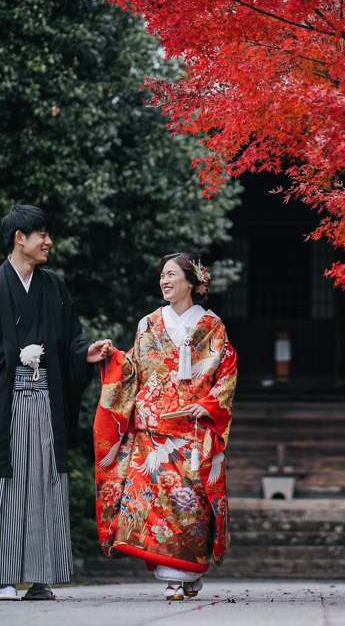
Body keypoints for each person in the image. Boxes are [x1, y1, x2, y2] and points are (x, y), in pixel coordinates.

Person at [0, 205, 110, 601]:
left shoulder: (55, 286)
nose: (48, 242)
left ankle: (41, 577)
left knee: (44, 485)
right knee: (5, 486)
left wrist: (85, 353)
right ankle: (3, 578)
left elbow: (71, 338)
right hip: (2, 404)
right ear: (20, 238)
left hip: (45, 402)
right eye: (41, 235)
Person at [93, 253, 237, 600]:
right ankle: (174, 576)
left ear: (192, 281)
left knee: (192, 504)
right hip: (152, 429)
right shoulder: (148, 323)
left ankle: (189, 570)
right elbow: (133, 370)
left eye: (172, 274)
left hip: (192, 428)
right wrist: (113, 358)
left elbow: (227, 370)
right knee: (156, 502)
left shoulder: (212, 326)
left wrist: (207, 405)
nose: (164, 280)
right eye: (161, 275)